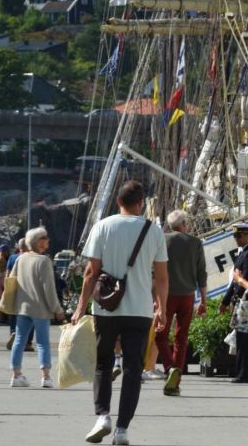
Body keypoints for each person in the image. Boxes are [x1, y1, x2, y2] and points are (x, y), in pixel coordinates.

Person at [72, 180, 168, 446]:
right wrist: (162, 308)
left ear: (118, 202)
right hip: (139, 310)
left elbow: (91, 272)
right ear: (141, 203)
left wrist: (80, 307)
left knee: (103, 364)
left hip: (106, 308)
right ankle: (123, 429)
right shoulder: (154, 231)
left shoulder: (102, 227)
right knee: (133, 369)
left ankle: (103, 416)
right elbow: (161, 277)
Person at [156, 210, 207, 397]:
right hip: (187, 296)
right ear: (184, 224)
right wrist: (204, 299)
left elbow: (155, 269)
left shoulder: (162, 240)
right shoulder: (195, 243)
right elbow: (201, 272)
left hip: (166, 295)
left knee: (160, 335)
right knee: (181, 337)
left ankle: (170, 368)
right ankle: (175, 380)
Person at [9, 227, 64, 388]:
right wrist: (57, 309)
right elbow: (49, 288)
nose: (48, 240)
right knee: (42, 342)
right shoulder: (44, 261)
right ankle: (46, 377)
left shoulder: (21, 259)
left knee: (19, 340)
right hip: (40, 308)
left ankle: (16, 375)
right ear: (38, 241)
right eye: (45, 237)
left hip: (23, 307)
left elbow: (11, 280)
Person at [221, 222, 248, 384]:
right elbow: (234, 282)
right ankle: (242, 371)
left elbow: (245, 279)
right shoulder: (243, 253)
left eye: (239, 235)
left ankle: (245, 373)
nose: (236, 239)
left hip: (246, 302)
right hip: (239, 301)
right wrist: (226, 300)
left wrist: (235, 296)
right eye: (235, 236)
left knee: (244, 339)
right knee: (241, 338)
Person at [6, 239, 35, 352]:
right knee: (30, 315)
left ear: (18, 246)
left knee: (14, 313)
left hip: (15, 289)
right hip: (28, 290)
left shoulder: (12, 258)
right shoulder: (32, 258)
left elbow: (8, 275)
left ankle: (14, 332)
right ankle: (27, 342)